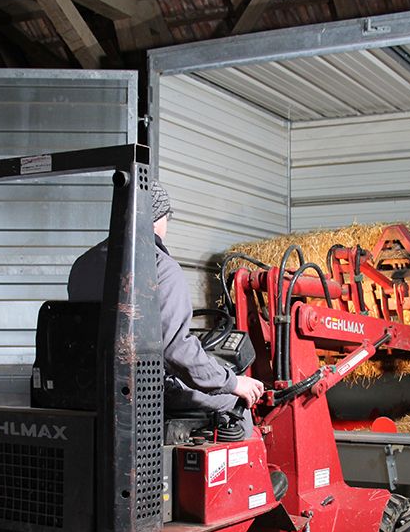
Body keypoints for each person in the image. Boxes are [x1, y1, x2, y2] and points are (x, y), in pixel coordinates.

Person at [67, 180, 264, 436]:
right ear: (159, 218)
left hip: (89, 387)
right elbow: (176, 349)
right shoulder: (160, 268)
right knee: (236, 403)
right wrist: (233, 382)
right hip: (143, 391)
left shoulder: (82, 265)